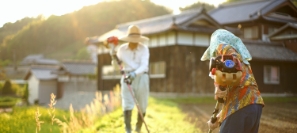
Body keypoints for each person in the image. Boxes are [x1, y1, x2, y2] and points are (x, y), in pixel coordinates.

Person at [201, 29, 265, 133]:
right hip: (255, 105)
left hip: (240, 107)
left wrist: (218, 85)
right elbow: (235, 98)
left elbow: (230, 65)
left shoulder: (223, 47)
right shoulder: (243, 61)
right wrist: (217, 119)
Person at [109, 25, 150, 133]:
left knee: (142, 104)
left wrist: (134, 74)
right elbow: (116, 66)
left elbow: (144, 65)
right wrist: (113, 57)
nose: (134, 42)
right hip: (126, 77)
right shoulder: (122, 49)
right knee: (127, 103)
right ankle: (128, 130)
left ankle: (138, 128)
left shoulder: (144, 49)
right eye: (132, 40)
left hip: (141, 77)